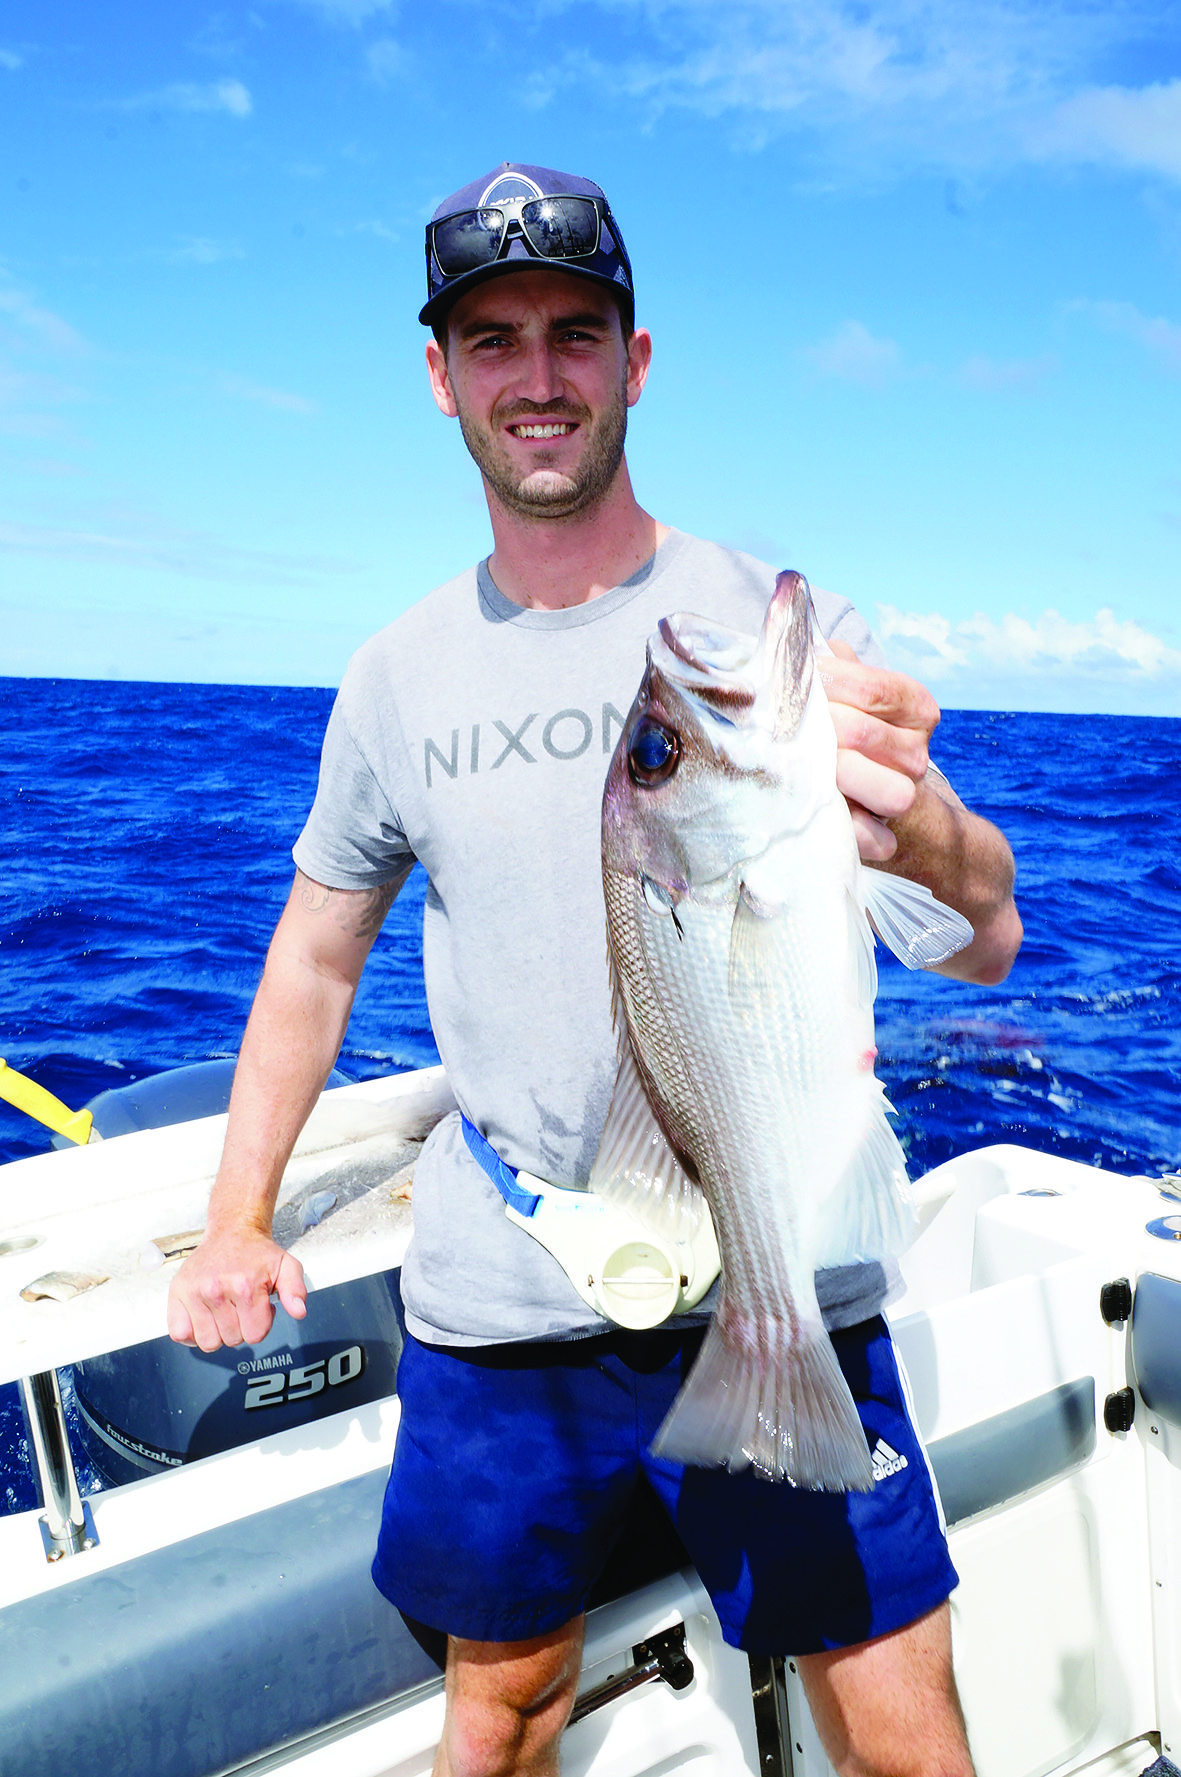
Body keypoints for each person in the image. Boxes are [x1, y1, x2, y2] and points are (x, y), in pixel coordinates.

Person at [168, 163, 1022, 1777]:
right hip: (509, 1296)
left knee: (906, 1719)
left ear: (638, 360)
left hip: (790, 1273)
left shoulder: (778, 630)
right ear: (442, 379)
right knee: (502, 1709)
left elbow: (986, 937)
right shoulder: (395, 675)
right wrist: (235, 1216)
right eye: (494, 341)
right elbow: (313, 959)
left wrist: (929, 839)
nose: (538, 375)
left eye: (576, 333)